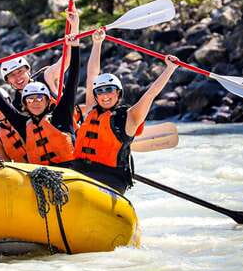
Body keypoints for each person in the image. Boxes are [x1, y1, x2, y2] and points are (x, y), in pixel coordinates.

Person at [68, 28, 179, 193]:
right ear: (95, 95)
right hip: (80, 171)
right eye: (100, 91)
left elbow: (151, 94)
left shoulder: (129, 117)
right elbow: (92, 75)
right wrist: (97, 44)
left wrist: (170, 69)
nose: (105, 95)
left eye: (109, 90)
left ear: (118, 93)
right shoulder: (91, 109)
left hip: (111, 178)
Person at [0, 9, 81, 166]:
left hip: (67, 133)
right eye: (12, 75)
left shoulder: (46, 77)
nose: (18, 78)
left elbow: (68, 68)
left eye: (20, 72)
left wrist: (74, 35)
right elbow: (1, 104)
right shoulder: (18, 110)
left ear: (28, 70)